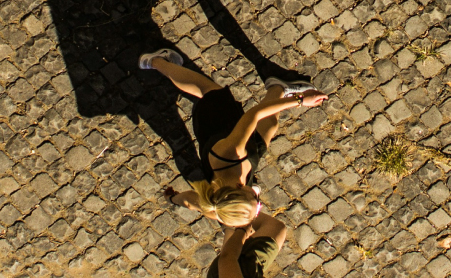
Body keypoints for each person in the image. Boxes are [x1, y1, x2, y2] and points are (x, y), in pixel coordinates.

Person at [140, 49, 327, 226]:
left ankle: (156, 61)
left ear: (239, 189)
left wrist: (300, 101)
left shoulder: (233, 153)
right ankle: (278, 86)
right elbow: (189, 202)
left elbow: (254, 115)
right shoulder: (218, 207)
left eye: (256, 200)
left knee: (204, 88)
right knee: (270, 126)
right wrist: (172, 198)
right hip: (244, 154)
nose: (259, 199)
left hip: (217, 120)